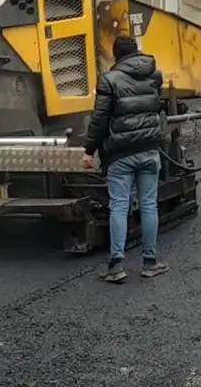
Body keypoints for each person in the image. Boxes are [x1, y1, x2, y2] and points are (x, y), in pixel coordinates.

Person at [82, 36, 170, 283]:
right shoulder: (155, 75)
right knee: (149, 205)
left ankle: (116, 266)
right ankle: (150, 263)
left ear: (115, 56)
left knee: (119, 206)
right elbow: (155, 105)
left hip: (120, 153)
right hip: (150, 149)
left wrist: (89, 151)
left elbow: (99, 121)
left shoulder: (109, 80)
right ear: (137, 52)